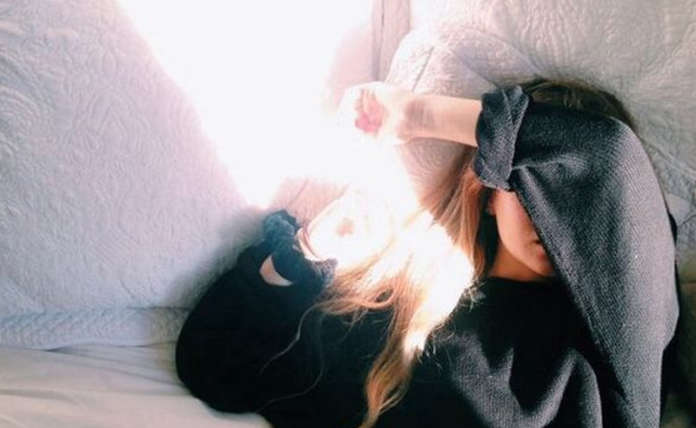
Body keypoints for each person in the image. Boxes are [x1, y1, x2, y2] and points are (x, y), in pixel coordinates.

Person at [175, 80, 680, 427]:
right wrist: (305, 252)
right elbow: (214, 368)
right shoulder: (409, 319)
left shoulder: (618, 343)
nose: (557, 218)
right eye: (533, 187)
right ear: (488, 190)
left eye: (581, 202)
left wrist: (416, 113)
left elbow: (608, 156)